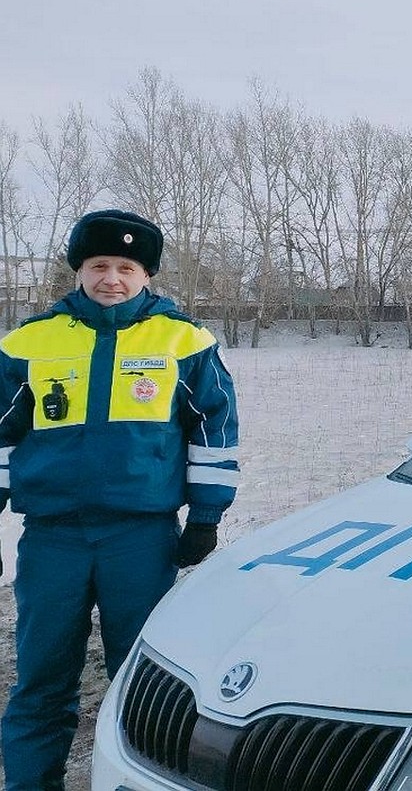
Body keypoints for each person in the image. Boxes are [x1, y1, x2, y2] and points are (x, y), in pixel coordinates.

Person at [0, 209, 240, 791]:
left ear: (147, 275)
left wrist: (204, 517)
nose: (112, 277)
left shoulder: (185, 340)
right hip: (53, 537)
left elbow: (215, 428)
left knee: (142, 678)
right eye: (99, 265)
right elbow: (2, 434)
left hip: (140, 536)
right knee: (41, 679)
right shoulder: (29, 341)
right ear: (78, 269)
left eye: (127, 267)